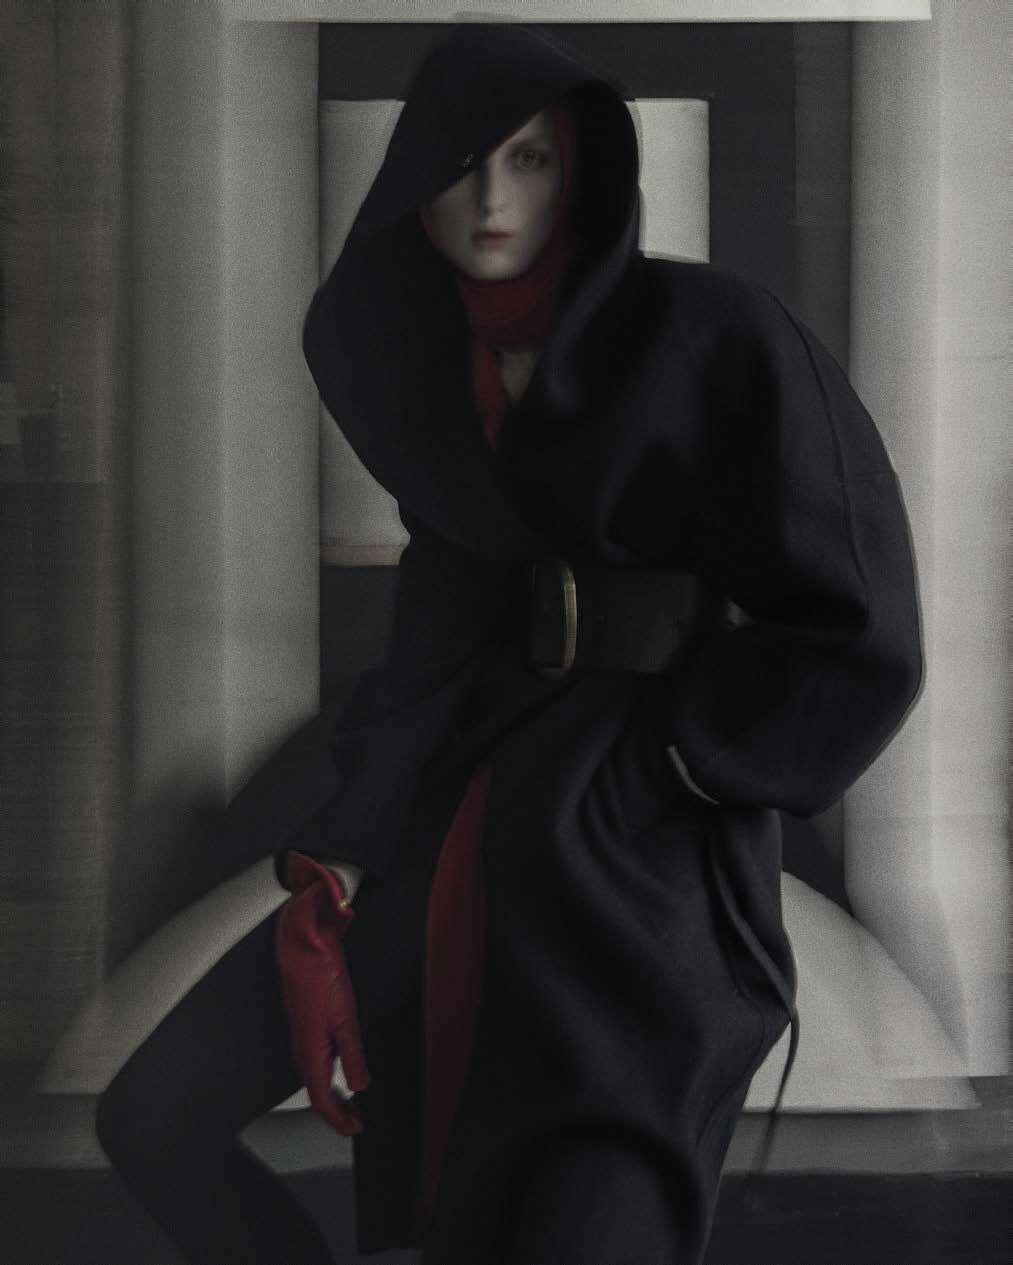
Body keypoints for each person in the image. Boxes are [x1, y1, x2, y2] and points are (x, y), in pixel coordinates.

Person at [96, 22, 923, 1265]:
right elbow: (437, 628)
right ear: (409, 184)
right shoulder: (433, 370)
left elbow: (858, 618)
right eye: (460, 164)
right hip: (449, 829)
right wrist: (337, 862)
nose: (490, 199)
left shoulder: (718, 331)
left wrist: (677, 764)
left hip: (635, 868)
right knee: (154, 1113)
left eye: (528, 160)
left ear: (580, 173)